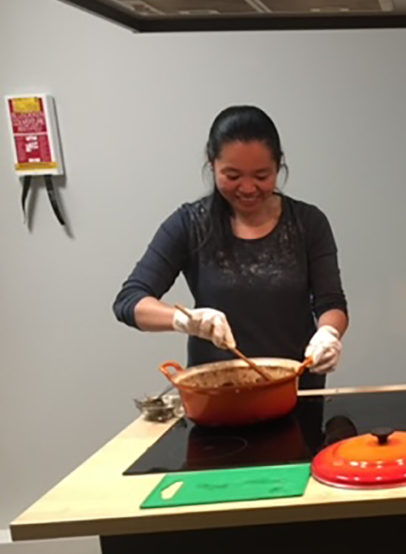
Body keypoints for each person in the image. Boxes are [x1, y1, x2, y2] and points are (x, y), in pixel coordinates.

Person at [113, 105, 348, 389]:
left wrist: (328, 334)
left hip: (294, 389)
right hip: (215, 393)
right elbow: (129, 301)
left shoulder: (308, 223)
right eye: (233, 176)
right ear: (212, 164)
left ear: (278, 166)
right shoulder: (190, 224)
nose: (248, 188)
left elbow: (331, 303)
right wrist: (184, 320)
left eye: (261, 176)